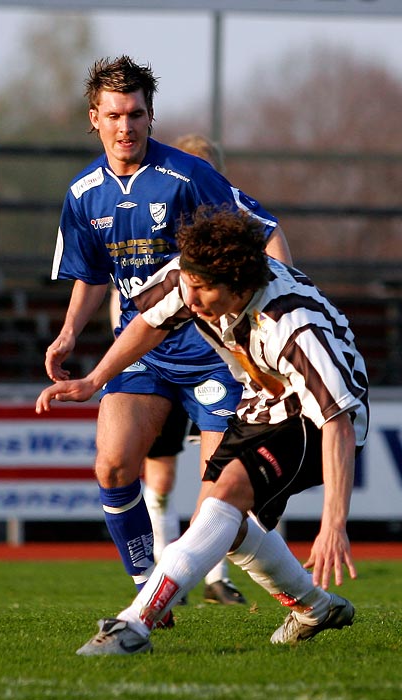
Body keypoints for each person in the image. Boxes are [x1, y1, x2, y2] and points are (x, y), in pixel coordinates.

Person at [36, 205, 369, 655]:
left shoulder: (292, 325)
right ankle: (315, 607)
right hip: (261, 399)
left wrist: (334, 523)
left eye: (203, 291)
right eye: (189, 285)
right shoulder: (191, 277)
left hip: (315, 418)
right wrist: (94, 380)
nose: (191, 299)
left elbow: (339, 423)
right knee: (223, 528)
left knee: (222, 497)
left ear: (239, 287)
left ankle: (135, 625)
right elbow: (150, 324)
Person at [45, 56, 292, 615]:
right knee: (111, 465)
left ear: (150, 114)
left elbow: (264, 232)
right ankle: (146, 587)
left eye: (135, 113)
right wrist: (66, 336)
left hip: (211, 354)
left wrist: (277, 314)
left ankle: (303, 596)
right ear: (95, 118)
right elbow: (89, 276)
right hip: (142, 349)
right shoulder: (84, 193)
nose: (125, 126)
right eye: (114, 115)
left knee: (222, 511)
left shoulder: (188, 176)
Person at [106, 132, 244, 605]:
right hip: (156, 364)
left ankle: (212, 578)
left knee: (220, 479)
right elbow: (126, 305)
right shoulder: (145, 230)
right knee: (158, 476)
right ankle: (167, 572)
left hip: (213, 365)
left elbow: (271, 245)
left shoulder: (229, 231)